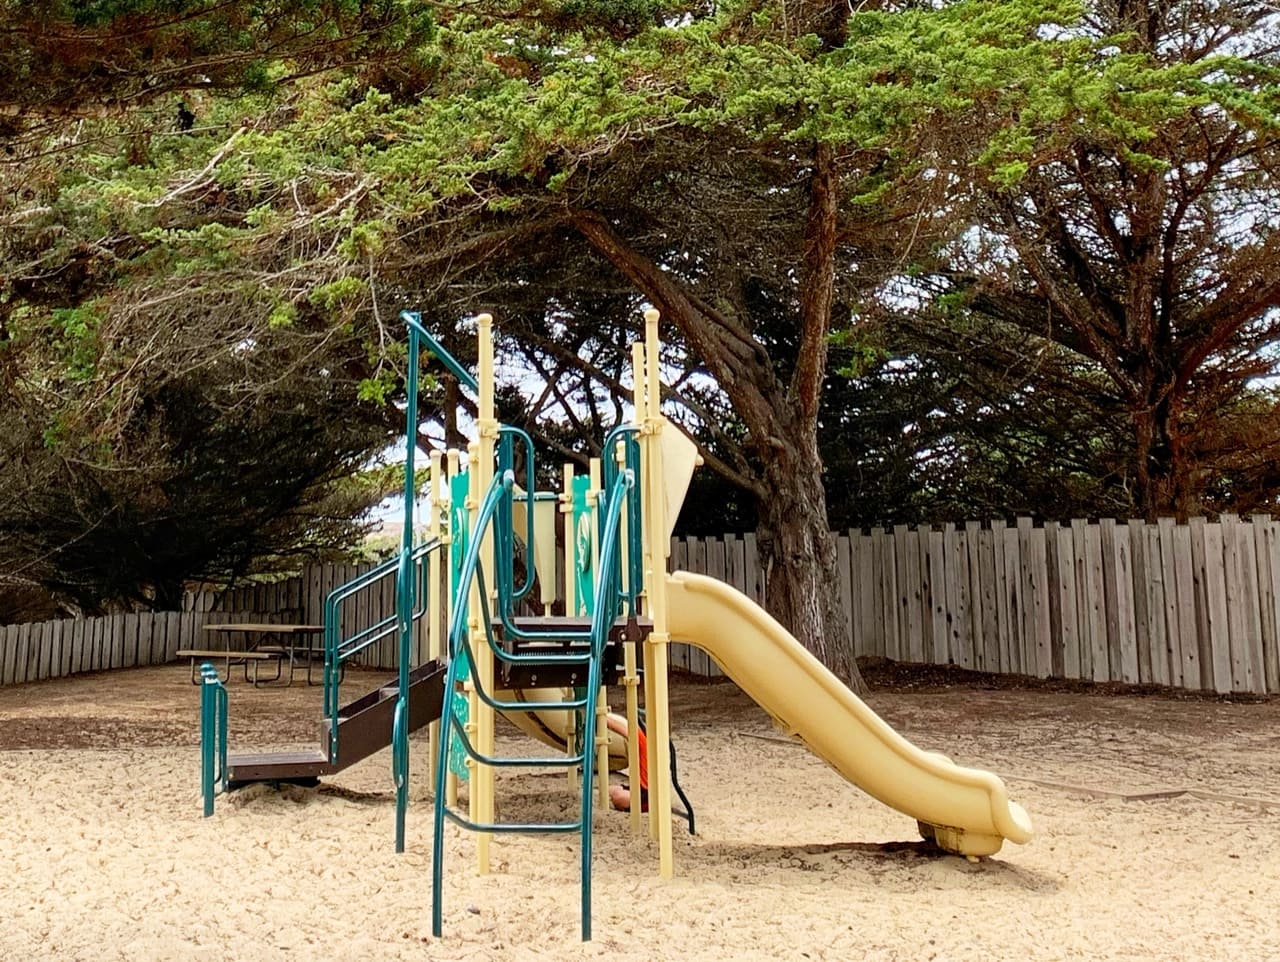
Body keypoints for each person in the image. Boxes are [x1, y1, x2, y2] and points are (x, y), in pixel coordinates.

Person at [604, 713, 647, 813]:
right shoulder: (645, 739)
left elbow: (621, 728)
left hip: (646, 795)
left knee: (617, 796)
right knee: (607, 790)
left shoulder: (643, 741)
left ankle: (627, 808)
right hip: (639, 787)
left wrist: (602, 717)